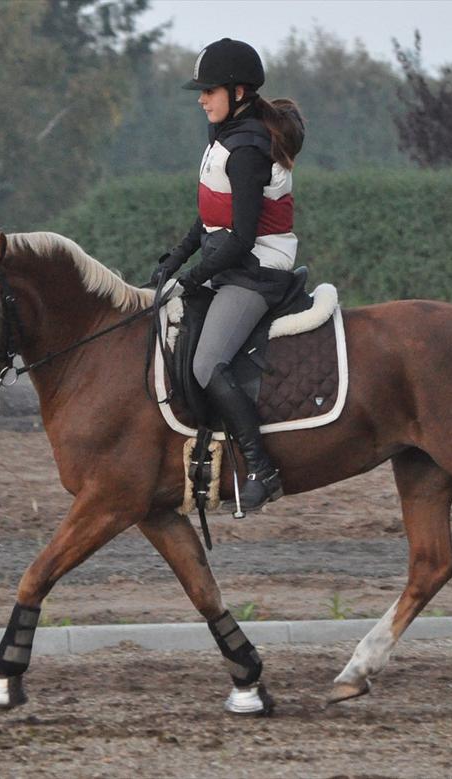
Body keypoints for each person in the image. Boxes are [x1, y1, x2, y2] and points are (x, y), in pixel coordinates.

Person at [150, 38, 305, 512]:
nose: (201, 99)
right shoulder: (225, 137)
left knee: (206, 364)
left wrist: (191, 278)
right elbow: (211, 217)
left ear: (238, 92)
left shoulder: (248, 150)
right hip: (232, 266)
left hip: (255, 273)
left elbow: (239, 239)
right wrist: (175, 258)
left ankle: (261, 467)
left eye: (209, 90)